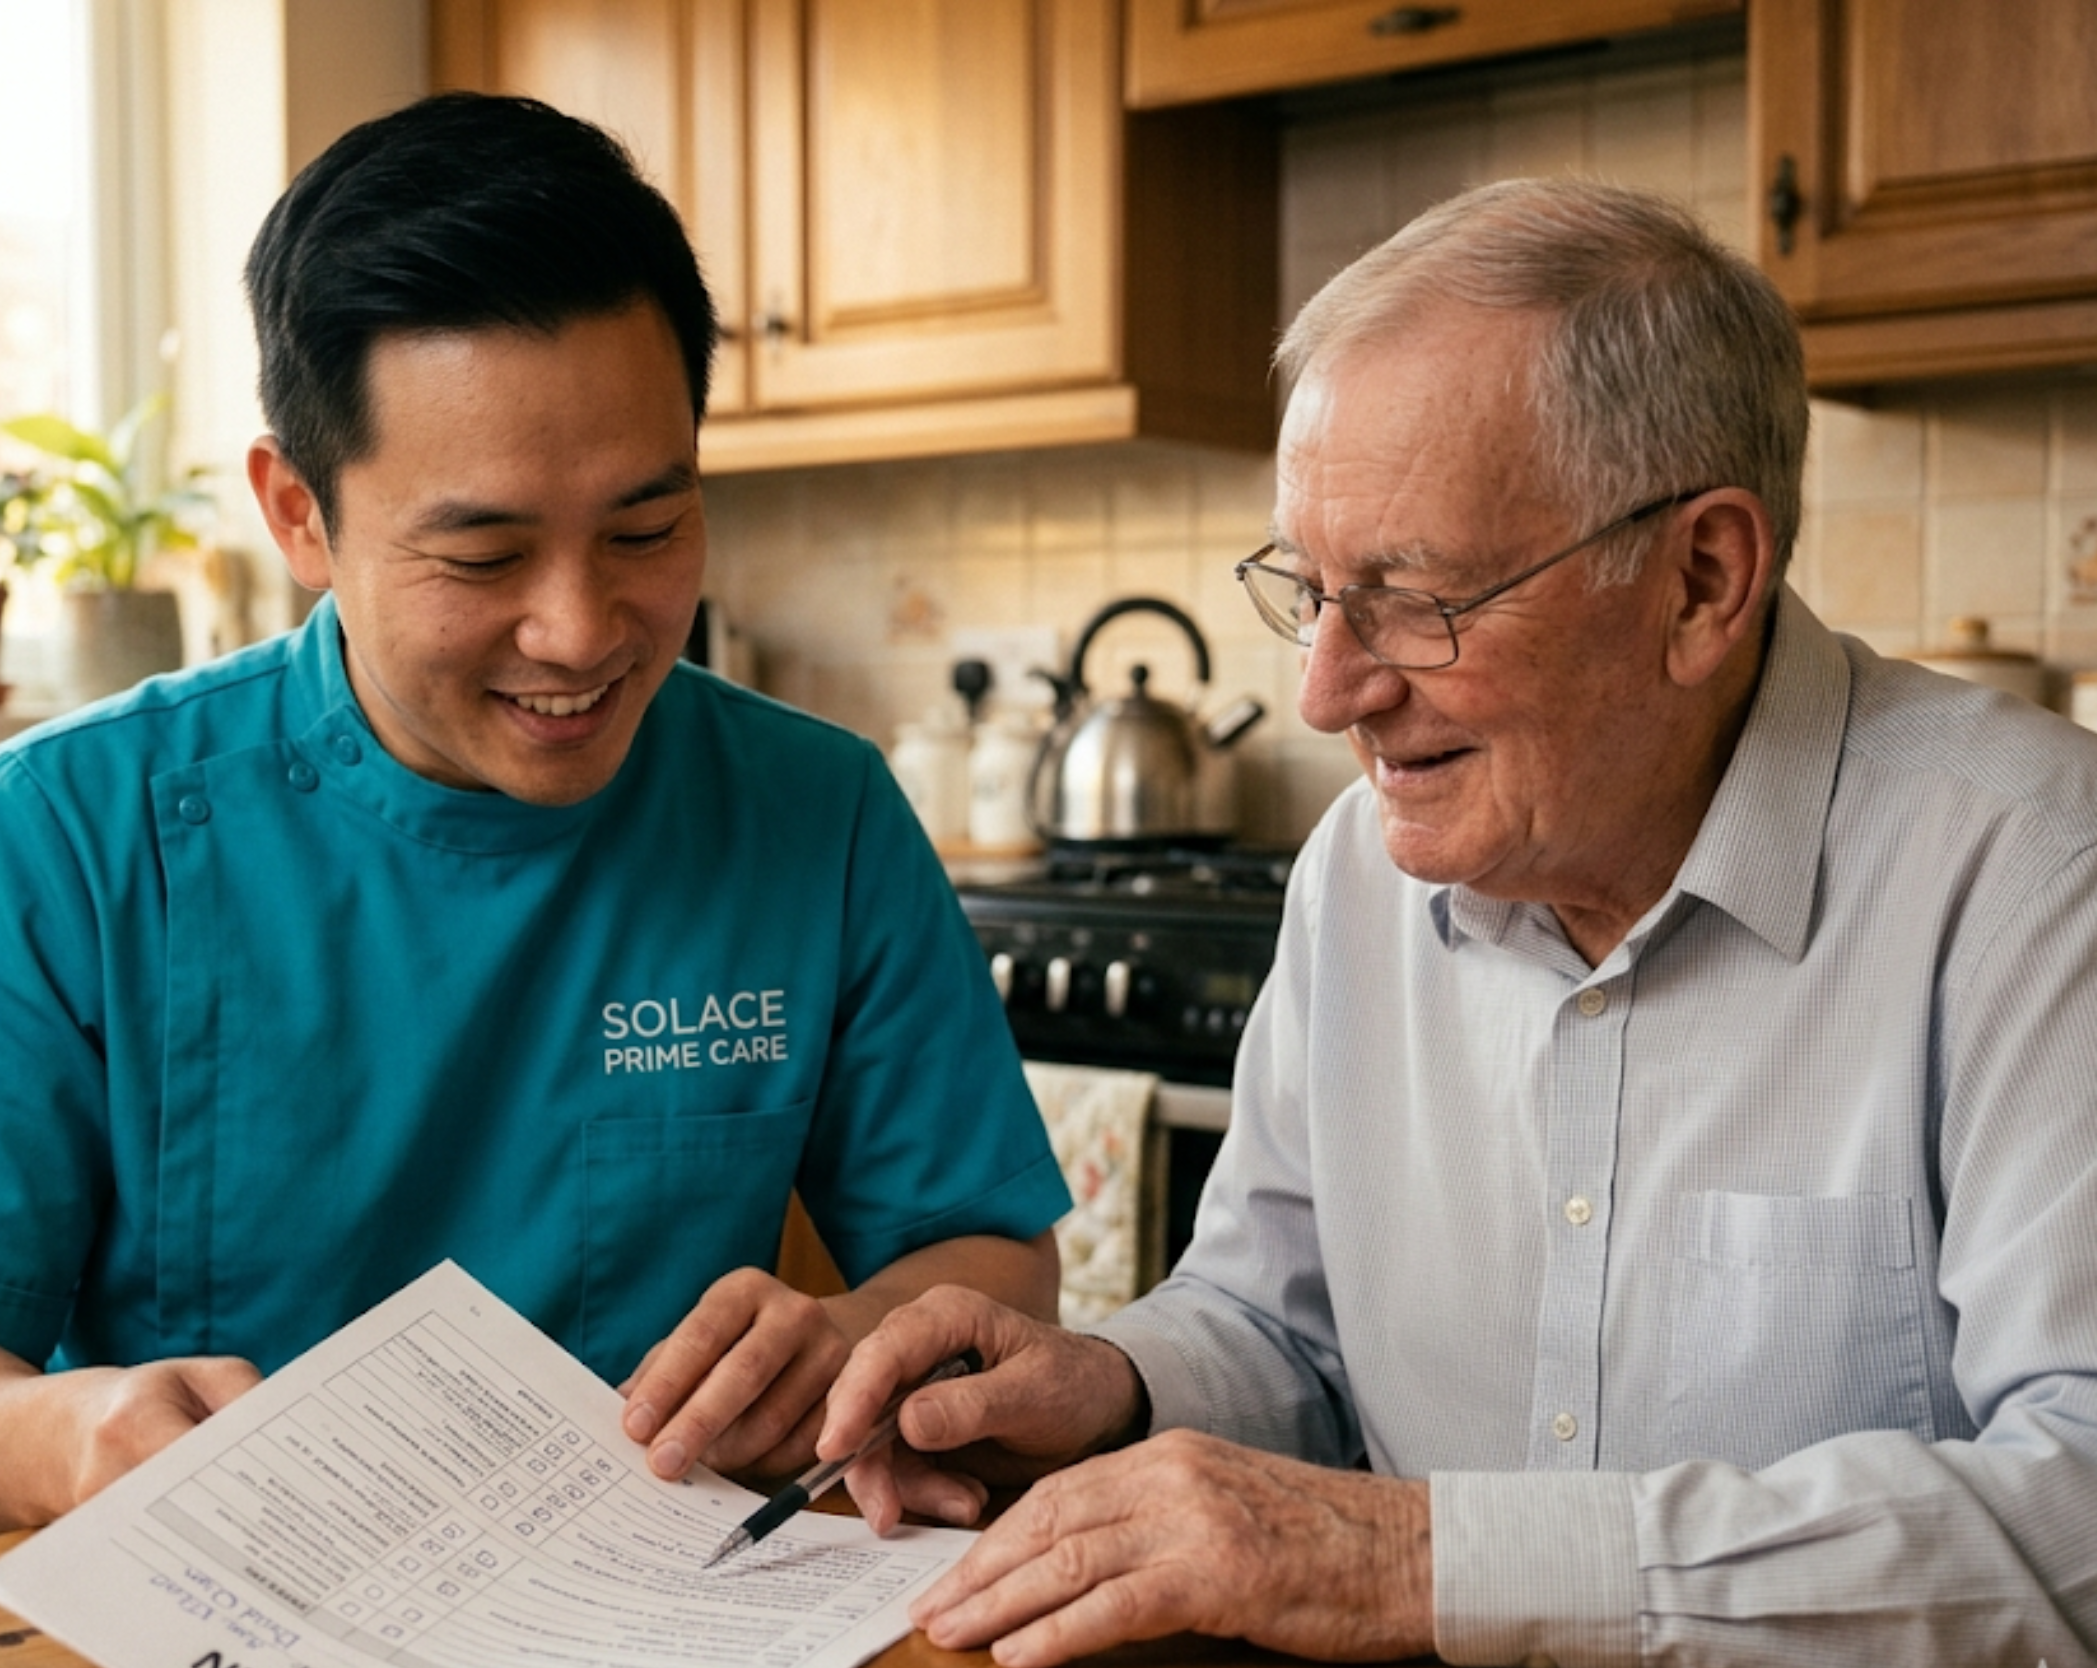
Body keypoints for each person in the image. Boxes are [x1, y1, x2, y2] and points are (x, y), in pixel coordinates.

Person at [818, 176, 2097, 1667]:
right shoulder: (1357, 867)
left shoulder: (2034, 876)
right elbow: (1278, 1323)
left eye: (1415, 599)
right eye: (1311, 591)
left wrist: (1425, 1560)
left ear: (1702, 578)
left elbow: (2077, 1517)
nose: (1327, 693)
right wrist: (1109, 1384)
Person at [0, 92, 1067, 1545]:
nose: (582, 632)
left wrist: (861, 1337)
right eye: (483, 552)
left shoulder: (815, 810)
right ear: (298, 515)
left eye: (648, 532)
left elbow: (993, 1262)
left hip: (654, 1602)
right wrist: (75, 1431)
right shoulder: (69, 831)